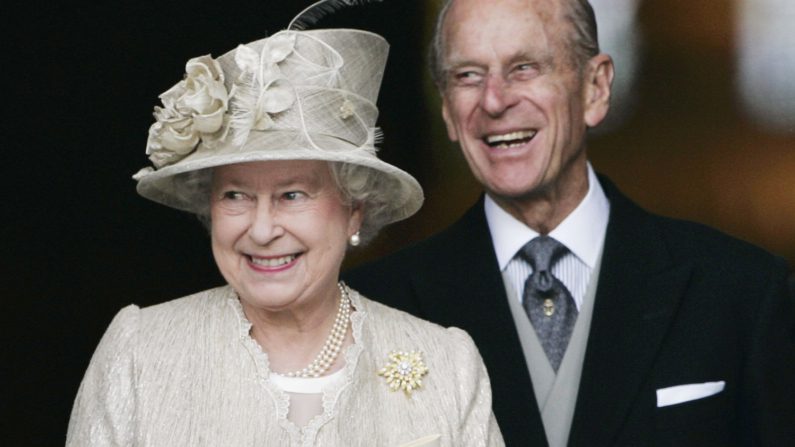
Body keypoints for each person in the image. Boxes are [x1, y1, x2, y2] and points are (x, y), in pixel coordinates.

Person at [343, 0, 795, 446]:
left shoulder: (745, 292)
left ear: (595, 88)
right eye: (468, 76)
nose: (495, 100)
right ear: (447, 110)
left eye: (525, 68)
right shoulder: (370, 311)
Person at [66, 3, 504, 446]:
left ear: (355, 208)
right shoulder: (140, 350)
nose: (260, 230)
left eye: (292, 195)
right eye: (235, 195)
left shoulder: (449, 363)